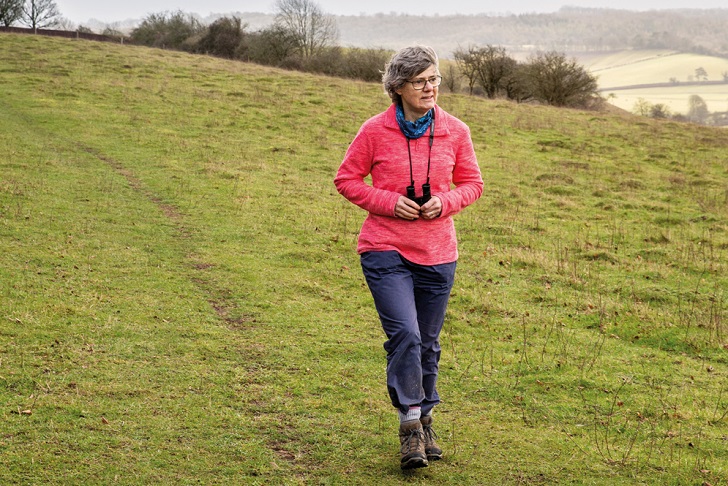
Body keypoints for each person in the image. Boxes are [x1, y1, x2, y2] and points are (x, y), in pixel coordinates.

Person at [334, 45, 483, 470]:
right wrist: (385, 201)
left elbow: (473, 183)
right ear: (397, 87)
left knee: (430, 343)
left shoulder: (456, 130)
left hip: (438, 252)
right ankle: (410, 426)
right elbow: (346, 179)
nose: (430, 88)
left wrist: (447, 202)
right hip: (385, 248)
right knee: (407, 336)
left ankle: (427, 417)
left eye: (434, 79)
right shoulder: (374, 130)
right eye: (419, 81)